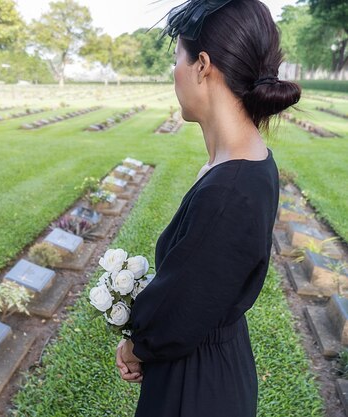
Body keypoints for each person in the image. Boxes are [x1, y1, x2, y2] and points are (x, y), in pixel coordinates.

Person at [114, 0, 301, 416]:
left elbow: (180, 310)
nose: (173, 73)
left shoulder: (229, 189)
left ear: (202, 65)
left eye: (177, 58)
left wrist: (136, 344)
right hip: (212, 366)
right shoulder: (243, 159)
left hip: (196, 388)